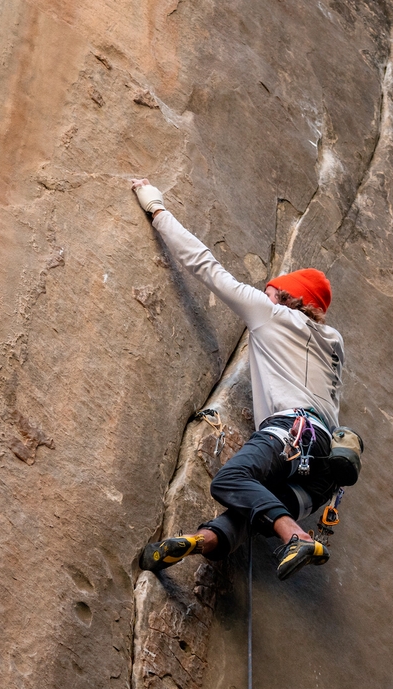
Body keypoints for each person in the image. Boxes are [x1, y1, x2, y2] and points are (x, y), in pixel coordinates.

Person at [132, 179, 347, 581]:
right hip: (323, 469)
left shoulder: (271, 314)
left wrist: (157, 208)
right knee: (250, 511)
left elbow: (205, 266)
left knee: (231, 480)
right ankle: (204, 541)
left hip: (291, 433)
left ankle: (294, 536)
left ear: (284, 296)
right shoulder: (334, 345)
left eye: (270, 291)